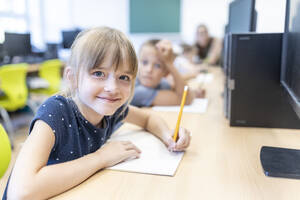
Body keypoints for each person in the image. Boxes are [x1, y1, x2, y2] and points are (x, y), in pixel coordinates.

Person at [3, 27, 191, 200]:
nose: (112, 88)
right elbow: (21, 192)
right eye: (99, 73)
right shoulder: (56, 111)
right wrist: (101, 158)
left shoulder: (112, 110)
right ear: (73, 78)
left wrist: (169, 136)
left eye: (123, 77)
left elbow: (148, 118)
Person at [131, 39, 196, 107]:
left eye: (157, 65)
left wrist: (194, 93)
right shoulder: (137, 91)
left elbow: (186, 94)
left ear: (166, 72)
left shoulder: (161, 83)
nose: (149, 70)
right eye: (145, 62)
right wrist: (169, 63)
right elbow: (185, 99)